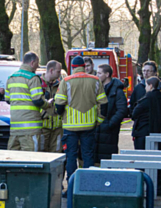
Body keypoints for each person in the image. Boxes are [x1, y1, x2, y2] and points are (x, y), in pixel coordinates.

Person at [55, 56, 107, 195]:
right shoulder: (95, 80)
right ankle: (87, 187)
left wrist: (62, 116)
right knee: (87, 156)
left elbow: (59, 104)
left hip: (70, 126)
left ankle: (71, 187)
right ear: (84, 66)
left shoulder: (66, 81)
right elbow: (103, 103)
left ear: (72, 67)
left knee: (71, 156)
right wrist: (99, 120)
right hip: (89, 125)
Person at [6, 52, 45, 151]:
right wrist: (48, 104)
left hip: (15, 128)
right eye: (37, 64)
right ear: (32, 63)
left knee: (14, 160)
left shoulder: (11, 78)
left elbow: (7, 99)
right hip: (30, 129)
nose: (37, 67)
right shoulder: (33, 78)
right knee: (31, 160)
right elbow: (37, 100)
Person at [95, 64, 127, 164]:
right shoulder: (97, 89)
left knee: (107, 160)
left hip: (109, 132)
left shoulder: (117, 91)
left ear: (107, 74)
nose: (97, 75)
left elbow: (122, 110)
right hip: (97, 129)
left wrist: (110, 124)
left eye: (99, 73)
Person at [39, 61, 64, 152]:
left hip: (57, 128)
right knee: (41, 154)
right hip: (42, 127)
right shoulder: (37, 84)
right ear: (51, 70)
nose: (60, 74)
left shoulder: (61, 85)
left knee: (56, 154)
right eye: (58, 71)